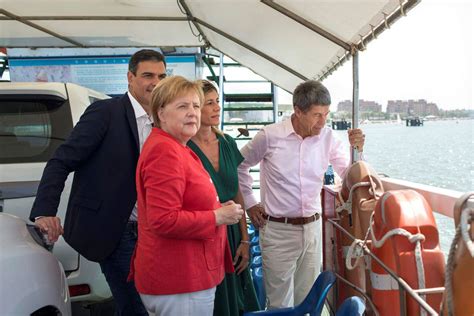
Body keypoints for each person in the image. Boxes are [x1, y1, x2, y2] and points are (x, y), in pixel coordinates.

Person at [29, 49, 167, 315]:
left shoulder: (163, 120)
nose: (155, 83)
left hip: (153, 231)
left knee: (143, 306)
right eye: (148, 75)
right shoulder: (105, 112)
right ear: (130, 77)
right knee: (137, 306)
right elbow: (61, 161)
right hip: (117, 231)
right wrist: (45, 210)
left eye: (161, 76)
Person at [238, 80, 365, 309]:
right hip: (278, 231)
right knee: (280, 304)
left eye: (326, 114)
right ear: (297, 111)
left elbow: (349, 175)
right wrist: (250, 203)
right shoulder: (269, 136)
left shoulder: (327, 137)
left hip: (313, 230)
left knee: (307, 301)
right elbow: (239, 166)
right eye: (317, 115)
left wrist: (358, 151)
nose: (323, 122)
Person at [129, 76, 244, 316]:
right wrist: (217, 216)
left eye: (195, 105)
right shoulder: (165, 151)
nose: (193, 113)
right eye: (182, 106)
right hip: (180, 279)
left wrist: (216, 207)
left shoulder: (175, 146)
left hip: (182, 279)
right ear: (161, 113)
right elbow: (164, 220)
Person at [188, 80, 261, 315]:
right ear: (196, 108)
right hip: (204, 235)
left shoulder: (228, 143)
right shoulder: (184, 147)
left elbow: (237, 192)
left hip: (232, 235)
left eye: (218, 101)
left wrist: (244, 240)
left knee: (239, 298)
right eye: (209, 103)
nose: (217, 108)